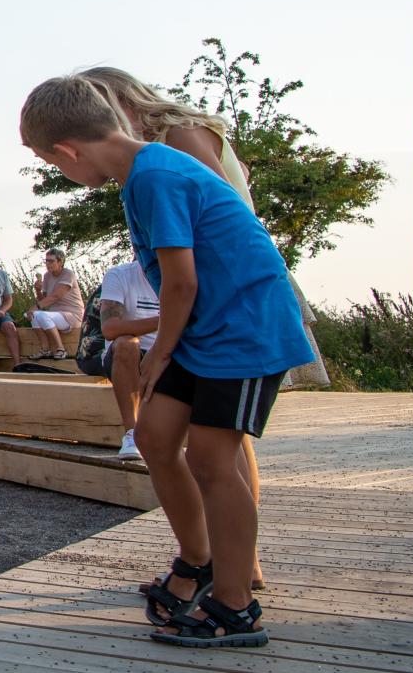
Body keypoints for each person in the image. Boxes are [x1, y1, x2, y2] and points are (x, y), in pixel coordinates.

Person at [21, 75, 313, 648]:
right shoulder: (138, 176)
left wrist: (162, 353)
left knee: (211, 459)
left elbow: (180, 283)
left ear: (69, 151)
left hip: (245, 329)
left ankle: (236, 604)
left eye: (51, 164)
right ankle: (199, 561)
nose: (62, 174)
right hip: (206, 326)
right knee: (155, 436)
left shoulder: (155, 175)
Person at [83, 64, 312, 590]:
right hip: (200, 299)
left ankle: (239, 567)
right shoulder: (144, 159)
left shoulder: (176, 142)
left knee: (224, 443)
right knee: (183, 438)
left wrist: (165, 340)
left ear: (119, 105)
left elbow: (226, 215)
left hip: (233, 300)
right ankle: (207, 557)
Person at [95, 260, 162, 459]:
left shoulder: (183, 274)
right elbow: (110, 329)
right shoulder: (120, 275)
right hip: (128, 355)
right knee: (126, 343)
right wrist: (169, 319)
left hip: (165, 351)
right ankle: (132, 434)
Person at [27, 248, 83, 360]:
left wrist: (35, 307)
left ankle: (61, 349)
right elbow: (45, 301)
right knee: (32, 315)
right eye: (46, 261)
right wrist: (38, 290)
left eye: (51, 261)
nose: (47, 264)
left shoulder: (68, 274)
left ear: (60, 262)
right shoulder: (47, 276)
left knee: (40, 314)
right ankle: (45, 349)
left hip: (72, 315)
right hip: (55, 314)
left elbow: (57, 296)